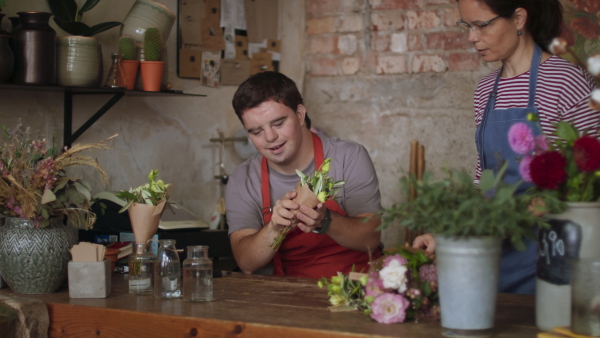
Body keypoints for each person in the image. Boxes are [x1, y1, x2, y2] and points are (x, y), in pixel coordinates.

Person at [413, 0, 599, 294]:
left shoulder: (565, 80)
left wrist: (494, 222)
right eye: (467, 26)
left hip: (550, 252)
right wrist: (451, 232)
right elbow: (483, 178)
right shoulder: (486, 90)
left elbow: (580, 184)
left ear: (519, 19)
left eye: (481, 25)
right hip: (493, 249)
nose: (472, 37)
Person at [225, 71, 382, 279]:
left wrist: (324, 220)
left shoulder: (348, 157)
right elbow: (246, 263)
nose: (270, 137)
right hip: (291, 294)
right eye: (256, 131)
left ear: (299, 114)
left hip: (356, 288)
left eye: (278, 123)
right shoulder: (242, 180)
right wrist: (275, 227)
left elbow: (370, 238)